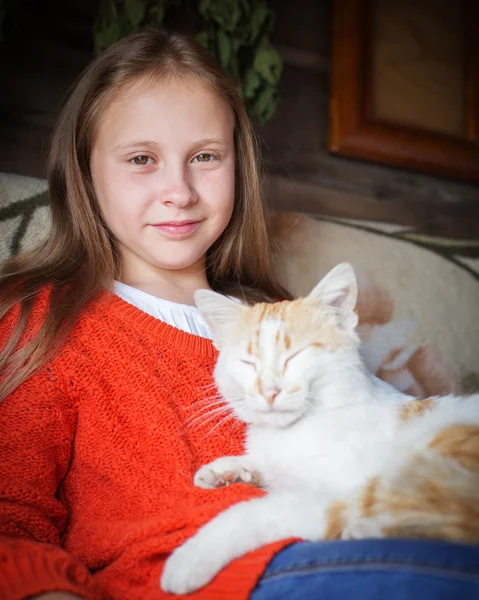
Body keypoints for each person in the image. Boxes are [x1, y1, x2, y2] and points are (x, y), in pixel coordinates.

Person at [0, 29, 478, 600]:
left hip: (341, 538)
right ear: (86, 172)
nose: (178, 191)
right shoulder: (48, 319)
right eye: (141, 159)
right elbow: (11, 519)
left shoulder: (281, 319)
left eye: (204, 157)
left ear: (237, 166)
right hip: (205, 576)